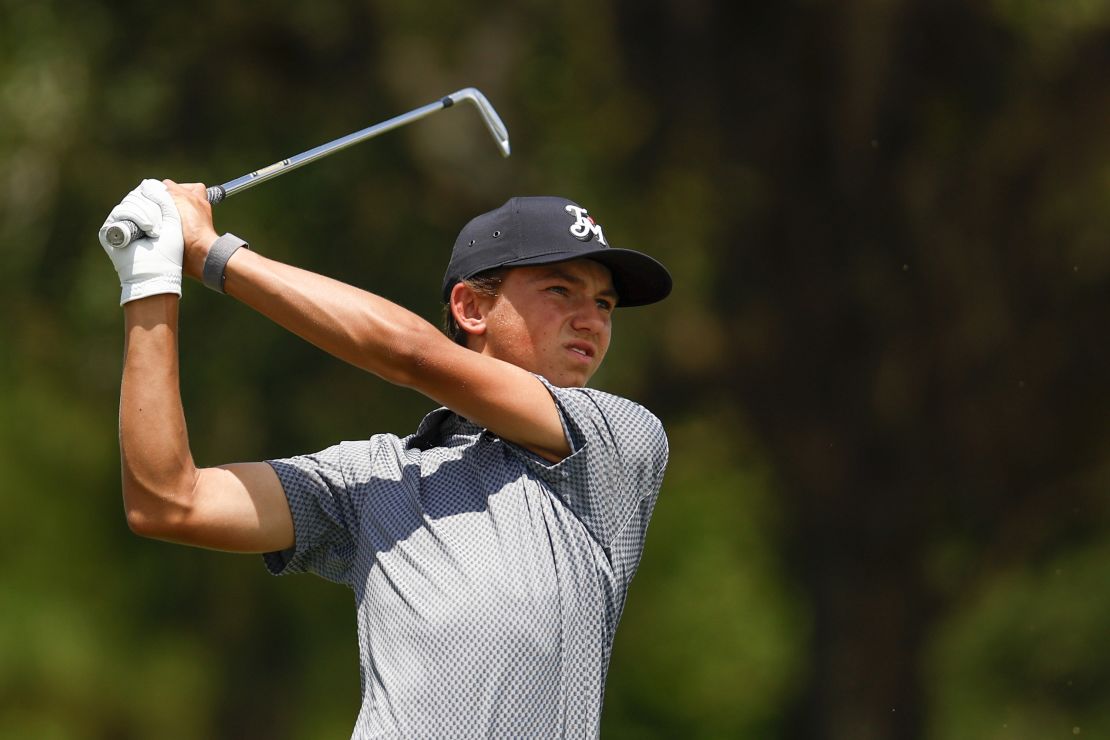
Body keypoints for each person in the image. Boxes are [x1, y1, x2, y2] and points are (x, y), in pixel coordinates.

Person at [98, 179, 673, 738]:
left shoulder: (615, 439)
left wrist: (211, 252)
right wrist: (151, 279)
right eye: (560, 291)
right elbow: (169, 502)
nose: (592, 319)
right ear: (472, 307)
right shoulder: (376, 477)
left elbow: (408, 355)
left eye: (604, 303)